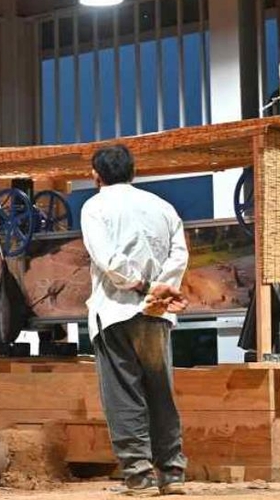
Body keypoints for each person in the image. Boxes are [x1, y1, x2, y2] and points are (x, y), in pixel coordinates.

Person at [80, 145, 190, 497]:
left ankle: (139, 476)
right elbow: (179, 254)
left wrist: (142, 285)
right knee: (161, 391)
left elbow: (108, 261)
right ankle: (172, 474)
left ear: (96, 175)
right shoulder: (163, 207)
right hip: (157, 313)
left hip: (114, 312)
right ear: (134, 171)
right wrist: (162, 287)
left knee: (122, 392)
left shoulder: (95, 206)